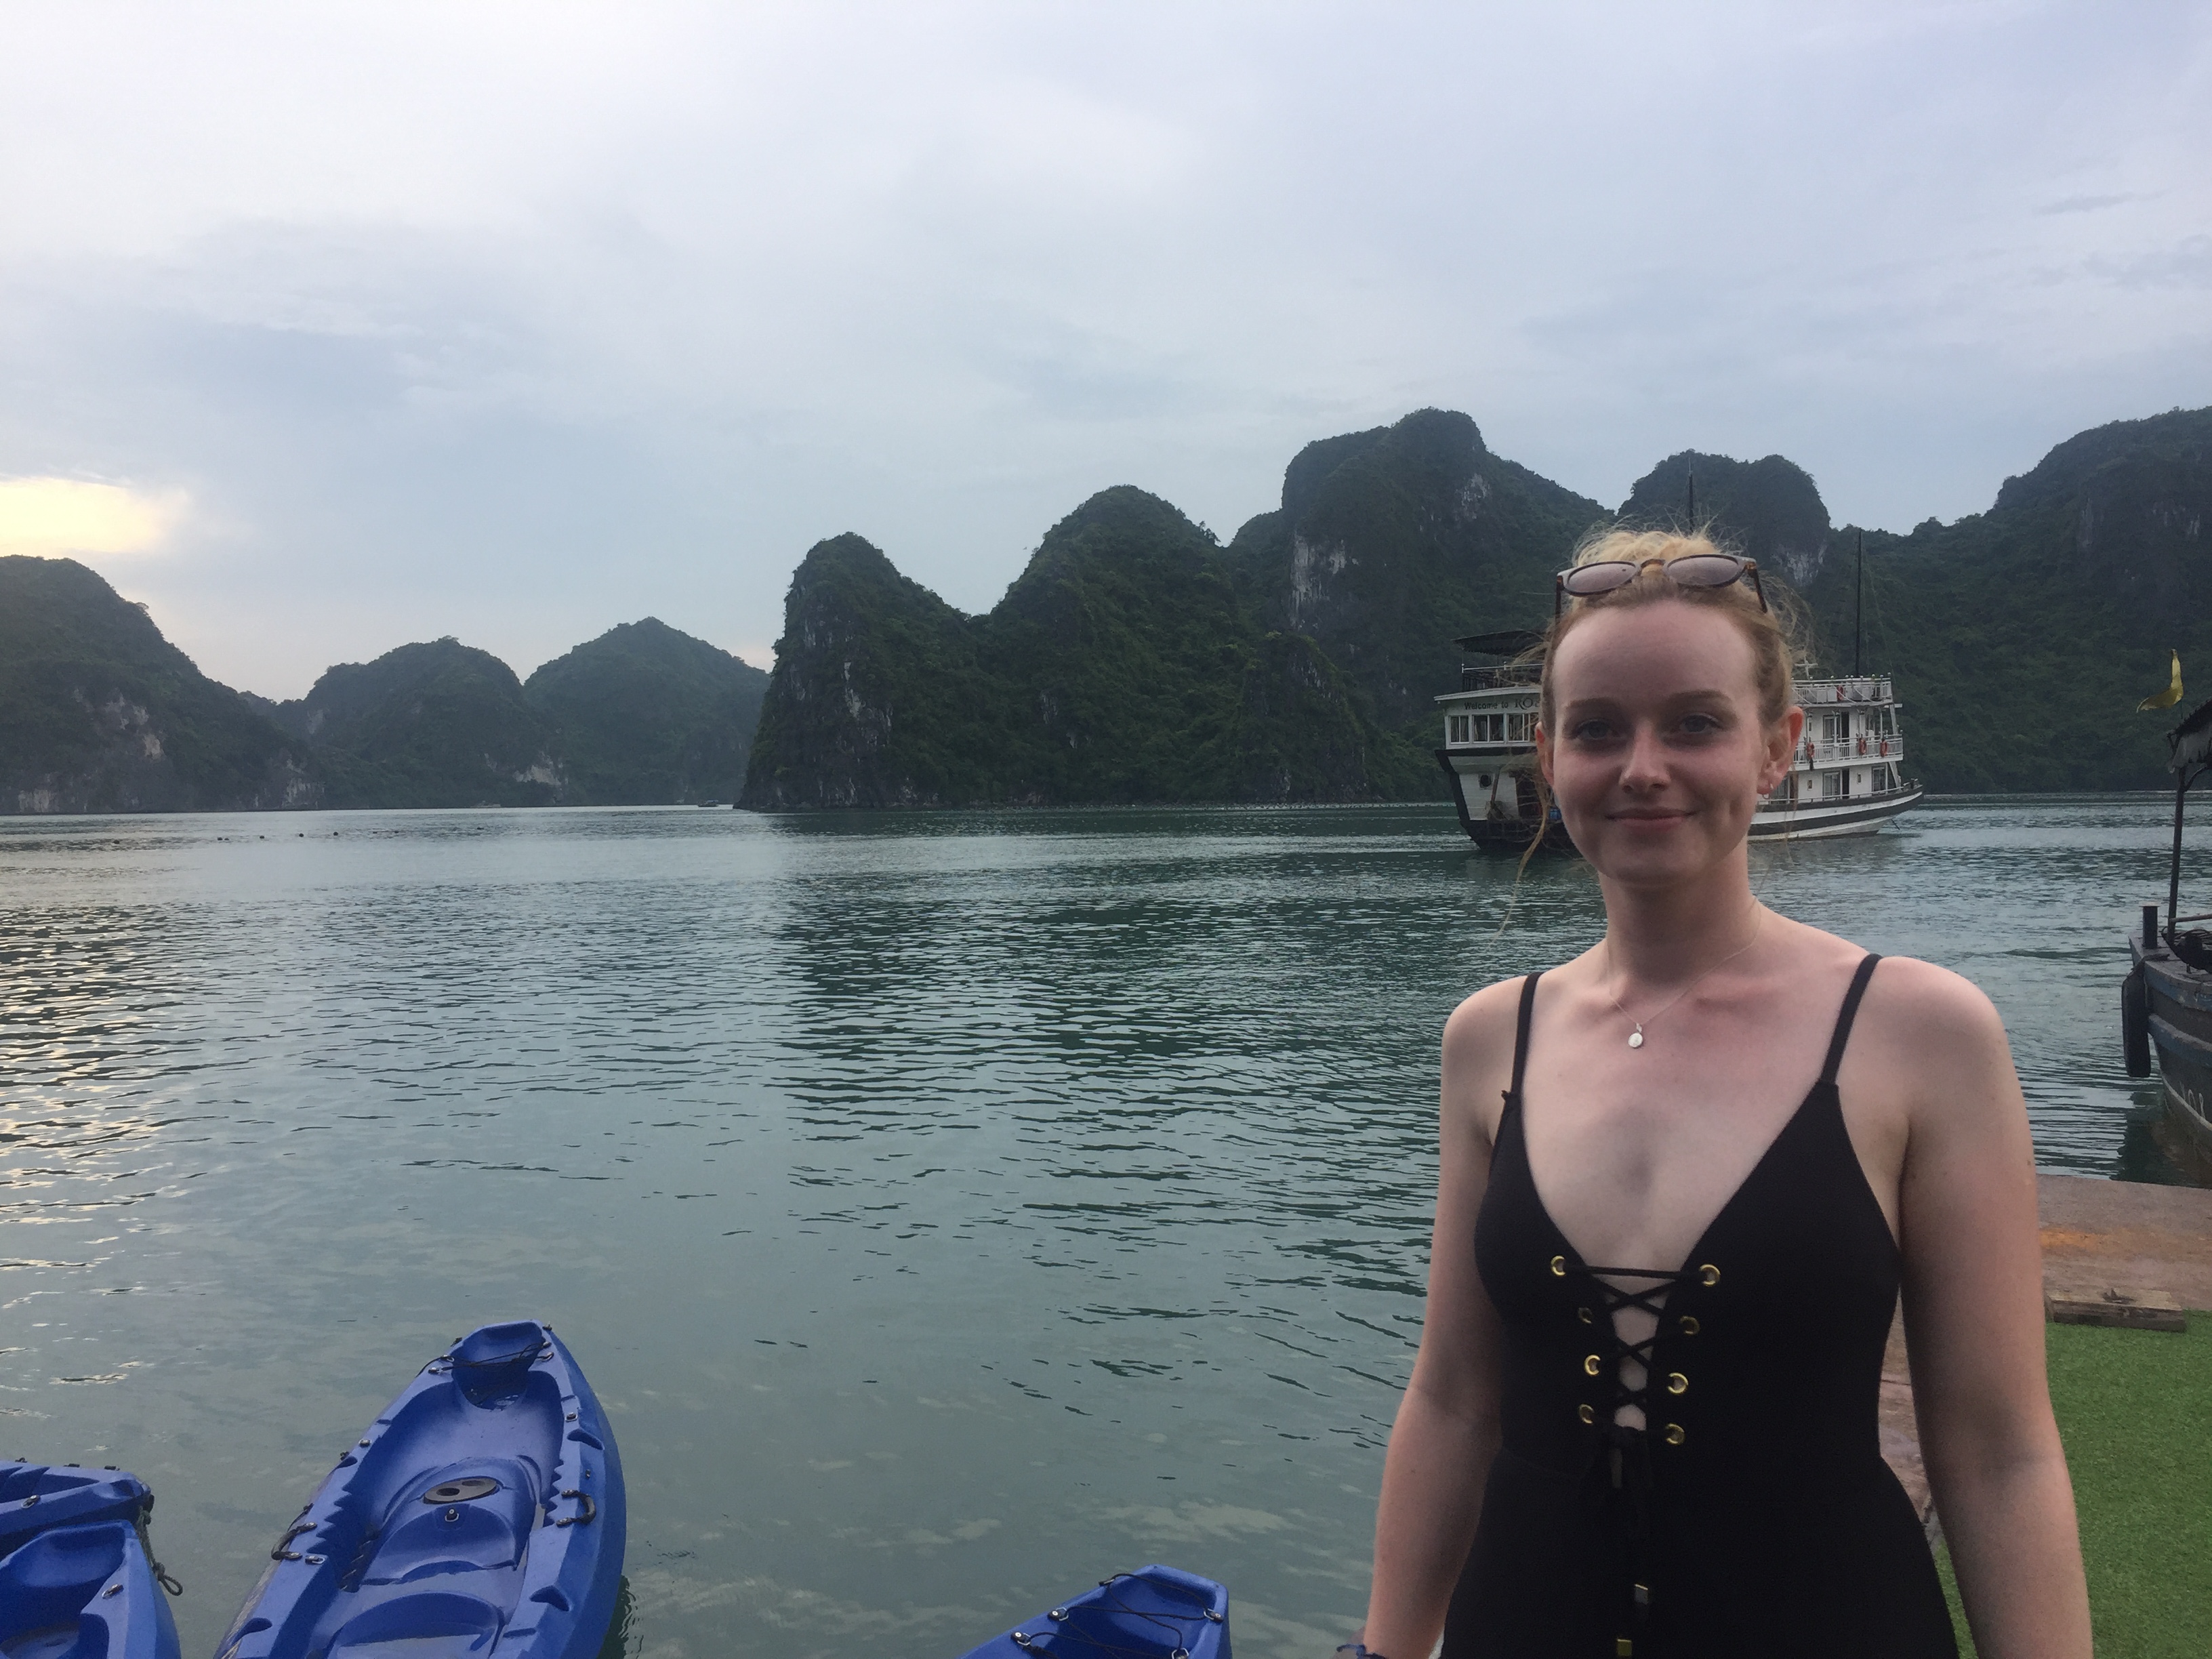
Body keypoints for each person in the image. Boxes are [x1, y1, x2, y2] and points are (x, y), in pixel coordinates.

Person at [1353, 529, 2089, 1658]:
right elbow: (1454, 1399)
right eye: (1598, 729)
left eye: (1695, 723)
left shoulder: (1921, 1034)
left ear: (1777, 748)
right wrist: (1385, 1648)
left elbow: (1998, 1452)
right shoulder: (1490, 1039)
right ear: (1548, 757)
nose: (1643, 766)